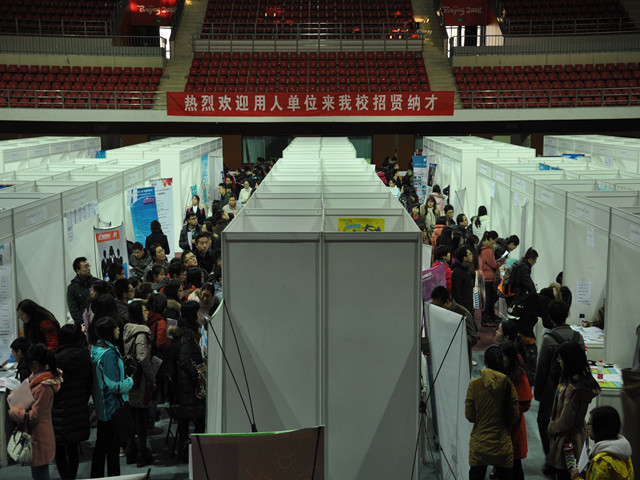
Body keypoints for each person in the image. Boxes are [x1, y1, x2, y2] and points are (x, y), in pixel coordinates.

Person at [536, 300, 585, 474]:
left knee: (546, 423)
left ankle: (552, 459)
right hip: (574, 388)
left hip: (552, 390)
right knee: (570, 426)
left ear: (550, 317)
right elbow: (583, 364)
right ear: (567, 314)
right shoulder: (578, 337)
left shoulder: (549, 339)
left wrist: (538, 393)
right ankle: (569, 463)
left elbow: (542, 368)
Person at [547, 342, 601, 480]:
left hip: (567, 441)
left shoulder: (573, 389)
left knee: (566, 475)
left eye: (560, 358)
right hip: (578, 438)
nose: (559, 362)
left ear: (568, 361)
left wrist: (551, 428)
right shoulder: (583, 380)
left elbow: (565, 421)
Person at [465, 345, 520, 480]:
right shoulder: (508, 385)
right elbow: (514, 417)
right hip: (502, 447)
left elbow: (470, 416)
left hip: (479, 446)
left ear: (485, 361)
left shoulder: (475, 385)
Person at [9, 344, 62, 480]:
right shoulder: (37, 378)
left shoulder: (43, 387)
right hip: (37, 433)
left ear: (35, 363)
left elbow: (35, 415)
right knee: (38, 473)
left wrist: (15, 412)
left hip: (39, 436)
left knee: (41, 474)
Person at [90, 316, 134, 478]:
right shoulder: (108, 354)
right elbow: (114, 385)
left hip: (104, 407)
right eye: (116, 327)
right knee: (112, 451)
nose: (118, 329)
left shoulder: (97, 349)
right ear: (110, 331)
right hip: (112, 408)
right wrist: (130, 380)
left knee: (102, 448)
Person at [52, 325, 91, 480]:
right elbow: (89, 383)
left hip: (59, 408)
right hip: (79, 406)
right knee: (73, 447)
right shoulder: (85, 355)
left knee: (59, 450)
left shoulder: (55, 358)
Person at [169, 300, 206, 462]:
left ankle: (186, 448)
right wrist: (197, 376)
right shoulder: (188, 336)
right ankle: (195, 450)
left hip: (183, 385)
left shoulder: (182, 332)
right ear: (192, 315)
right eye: (198, 312)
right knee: (199, 418)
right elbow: (184, 361)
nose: (200, 315)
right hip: (189, 387)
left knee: (185, 420)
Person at [123, 301, 156, 468]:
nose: (147, 312)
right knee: (141, 419)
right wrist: (152, 377)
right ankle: (142, 453)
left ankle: (130, 451)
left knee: (131, 417)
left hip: (129, 378)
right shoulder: (142, 332)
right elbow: (143, 357)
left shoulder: (127, 329)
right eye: (144, 310)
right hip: (141, 380)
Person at [500, 340, 533, 480]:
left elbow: (526, 402)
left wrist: (509, 411)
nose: (501, 359)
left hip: (513, 426)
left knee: (514, 464)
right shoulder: (497, 371)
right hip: (499, 426)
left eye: (504, 356)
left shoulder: (519, 374)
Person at [571, 406, 634, 480]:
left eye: (590, 423)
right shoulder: (623, 454)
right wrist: (589, 473)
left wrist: (576, 478)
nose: (587, 426)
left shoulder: (603, 462)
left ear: (600, 427)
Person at [431, 286, 478, 371]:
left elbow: (473, 338)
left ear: (447, 301)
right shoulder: (438, 312)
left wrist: (454, 337)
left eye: (439, 306)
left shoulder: (463, 313)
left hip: (460, 362)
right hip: (443, 360)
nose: (437, 309)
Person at [478, 231, 504, 327]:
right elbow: (493, 264)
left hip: (483, 276)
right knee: (488, 300)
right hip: (488, 278)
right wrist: (501, 261)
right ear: (491, 239)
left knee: (486, 300)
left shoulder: (482, 248)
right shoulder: (488, 250)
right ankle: (485, 320)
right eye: (495, 240)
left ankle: (487, 317)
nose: (495, 243)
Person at [67, 256, 97, 326]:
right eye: (86, 267)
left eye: (88, 266)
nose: (88, 268)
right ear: (78, 271)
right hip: (82, 326)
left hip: (97, 322)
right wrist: (84, 324)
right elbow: (73, 310)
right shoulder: (72, 288)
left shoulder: (96, 283)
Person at [451, 245, 475, 314]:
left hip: (469, 305)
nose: (472, 256)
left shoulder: (466, 269)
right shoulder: (457, 273)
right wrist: (463, 310)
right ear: (464, 258)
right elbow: (457, 294)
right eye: (469, 254)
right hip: (463, 309)